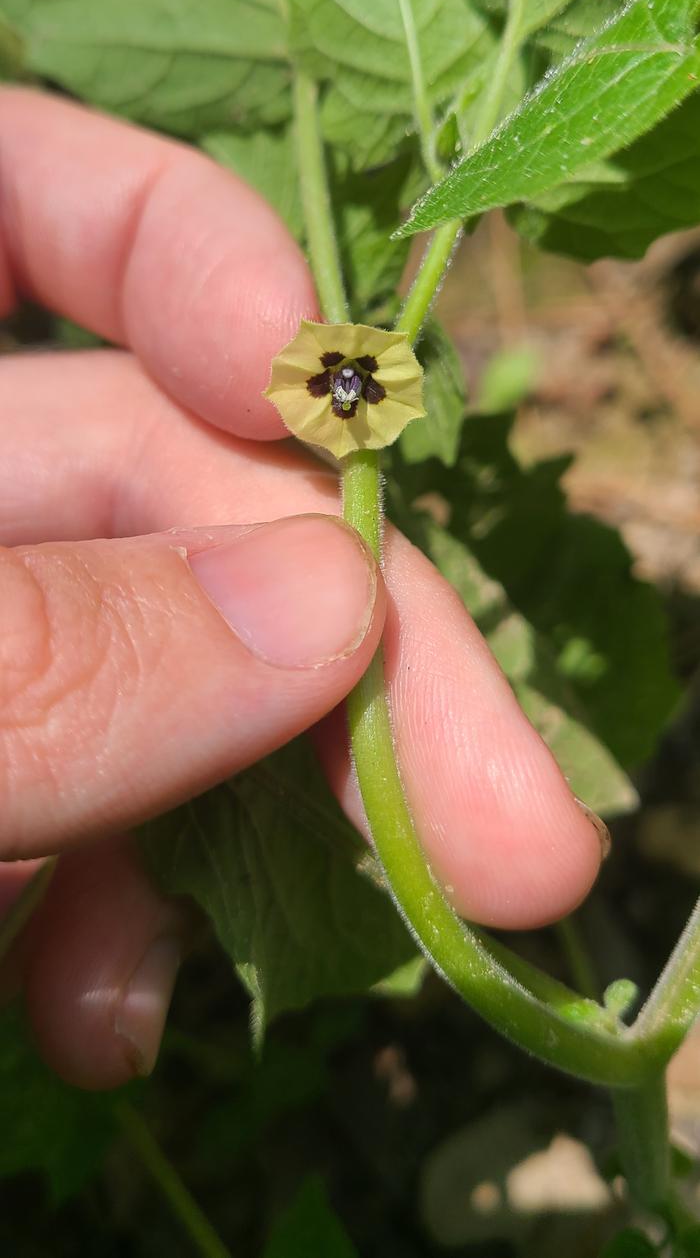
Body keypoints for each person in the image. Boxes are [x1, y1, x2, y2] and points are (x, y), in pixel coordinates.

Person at [0, 89, 607, 1090]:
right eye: (343, 388)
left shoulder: (346, 385)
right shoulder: (340, 383)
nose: (350, 392)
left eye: (358, 388)